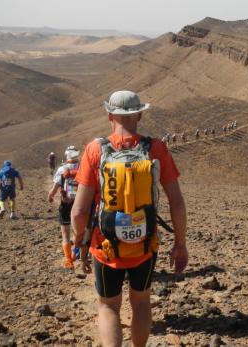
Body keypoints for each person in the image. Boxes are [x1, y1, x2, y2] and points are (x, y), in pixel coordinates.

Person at [71, 90, 188, 347]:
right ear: (140, 115)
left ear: (109, 115)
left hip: (105, 246)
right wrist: (180, 244)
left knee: (109, 306)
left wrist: (79, 241)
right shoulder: (155, 148)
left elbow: (79, 211)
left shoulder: (94, 150)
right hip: (145, 245)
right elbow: (176, 202)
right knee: (141, 301)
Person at [47, 146, 81, 269]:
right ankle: (75, 253)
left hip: (65, 203)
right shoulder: (83, 167)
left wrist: (50, 196)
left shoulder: (62, 168)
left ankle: (68, 259)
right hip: (80, 203)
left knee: (65, 234)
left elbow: (55, 187)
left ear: (67, 155)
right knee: (79, 231)